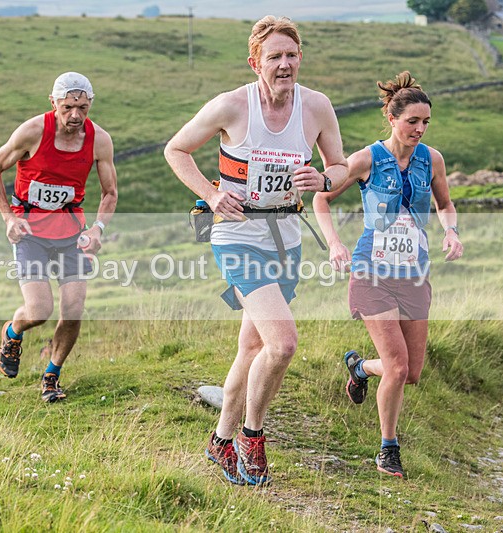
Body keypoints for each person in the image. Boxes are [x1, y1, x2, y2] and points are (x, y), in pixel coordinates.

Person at [164, 16, 347, 486]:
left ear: (300, 58)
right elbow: (176, 150)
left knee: (252, 347)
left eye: (291, 55)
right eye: (274, 57)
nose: (284, 64)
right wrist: (209, 193)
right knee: (282, 344)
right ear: (255, 62)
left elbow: (340, 167)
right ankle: (252, 435)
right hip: (237, 234)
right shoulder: (231, 106)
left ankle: (219, 442)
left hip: (286, 236)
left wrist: (324, 180)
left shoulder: (317, 107)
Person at [313, 71, 464, 479]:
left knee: (411, 373)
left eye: (426, 122)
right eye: (413, 121)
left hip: (414, 273)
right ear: (392, 117)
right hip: (371, 271)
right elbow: (321, 198)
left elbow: (445, 203)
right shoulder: (367, 159)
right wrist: (334, 243)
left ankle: (360, 368)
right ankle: (388, 449)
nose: (420, 128)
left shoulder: (432, 159)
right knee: (396, 367)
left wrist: (451, 230)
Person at [0, 72, 118, 403]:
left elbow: (110, 192)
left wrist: (98, 229)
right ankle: (13, 331)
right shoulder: (32, 132)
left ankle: (51, 375)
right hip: (30, 233)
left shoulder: (99, 140)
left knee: (73, 310)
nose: (75, 115)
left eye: (83, 108)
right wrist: (8, 218)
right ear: (53, 103)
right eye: (68, 107)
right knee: (39, 309)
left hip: (71, 234)